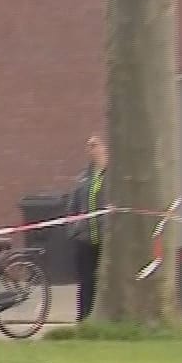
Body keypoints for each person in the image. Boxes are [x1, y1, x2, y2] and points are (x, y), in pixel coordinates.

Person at [65, 134, 109, 322]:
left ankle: (104, 318)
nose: (91, 150)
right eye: (89, 146)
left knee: (105, 280)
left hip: (106, 238)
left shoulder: (113, 175)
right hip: (85, 238)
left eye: (95, 145)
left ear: (105, 148)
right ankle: (83, 318)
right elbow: (73, 205)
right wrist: (73, 228)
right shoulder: (84, 177)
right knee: (85, 281)